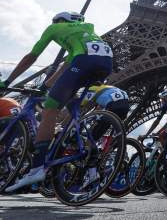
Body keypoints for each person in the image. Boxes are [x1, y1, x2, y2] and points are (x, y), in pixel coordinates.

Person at [4, 11, 113, 191]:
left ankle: (37, 168)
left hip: (85, 62)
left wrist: (8, 81)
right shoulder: (86, 35)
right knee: (67, 97)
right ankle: (80, 136)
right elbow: (67, 66)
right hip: (106, 64)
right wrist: (46, 85)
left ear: (59, 21)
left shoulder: (55, 27)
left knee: (49, 109)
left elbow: (31, 56)